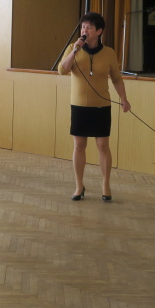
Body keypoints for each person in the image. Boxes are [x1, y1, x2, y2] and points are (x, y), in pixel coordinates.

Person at [57, 12, 131, 202]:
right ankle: (78, 185)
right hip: (79, 106)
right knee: (79, 146)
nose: (85, 30)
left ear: (99, 31)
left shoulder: (109, 53)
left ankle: (105, 185)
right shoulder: (73, 48)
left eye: (89, 27)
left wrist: (124, 99)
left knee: (103, 145)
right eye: (83, 27)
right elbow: (62, 70)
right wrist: (75, 50)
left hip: (101, 107)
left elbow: (117, 79)